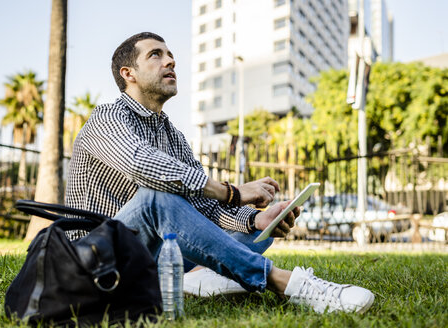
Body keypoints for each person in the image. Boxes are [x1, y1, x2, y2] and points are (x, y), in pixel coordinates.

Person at [65, 32, 374, 314]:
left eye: (170, 54)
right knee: (156, 198)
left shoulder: (173, 135)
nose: (171, 60)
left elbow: (205, 210)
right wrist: (232, 192)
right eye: (156, 55)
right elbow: (141, 164)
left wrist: (255, 218)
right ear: (128, 74)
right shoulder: (106, 118)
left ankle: (197, 278)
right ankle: (285, 283)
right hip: (97, 259)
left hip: (153, 258)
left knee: (254, 232)